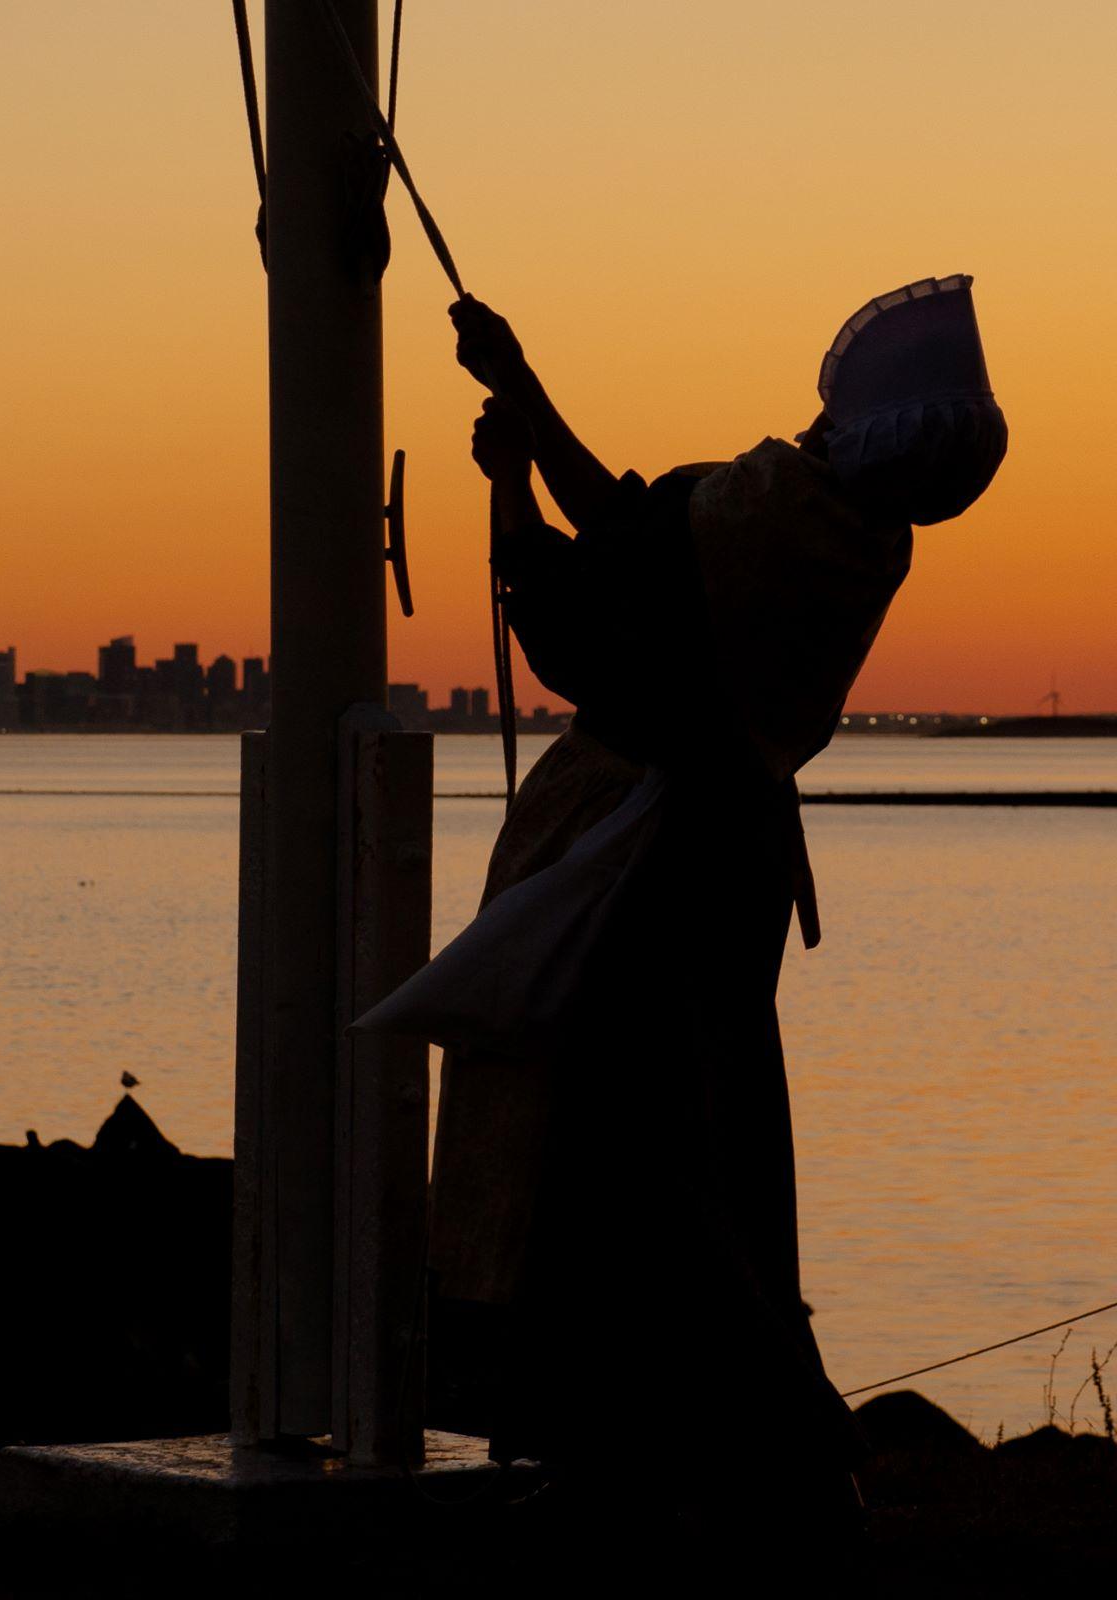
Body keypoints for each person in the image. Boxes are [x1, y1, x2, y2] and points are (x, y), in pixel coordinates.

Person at [364, 277, 1006, 1532]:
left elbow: (576, 609)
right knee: (710, 1154)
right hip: (727, 873)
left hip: (642, 877)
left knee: (614, 1165)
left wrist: (503, 484)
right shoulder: (858, 535)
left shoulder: (775, 516)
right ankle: (738, 1455)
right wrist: (526, 395)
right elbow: (633, 536)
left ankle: (670, 1464)